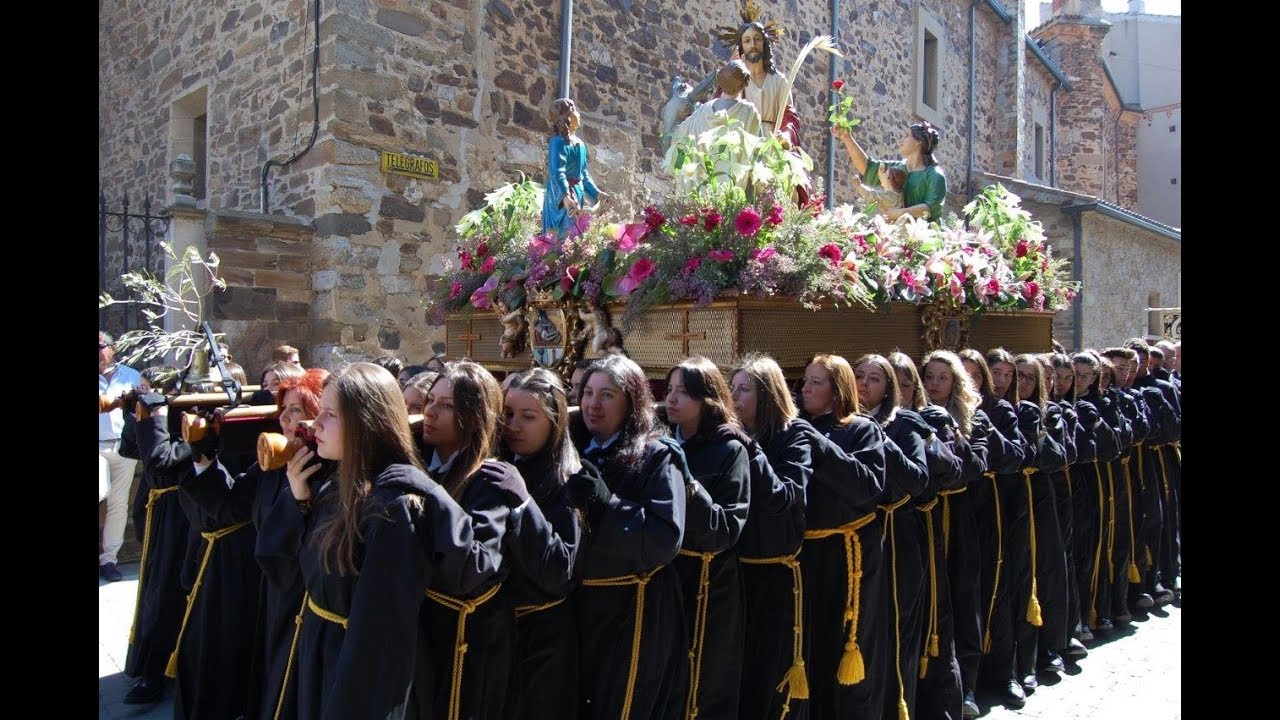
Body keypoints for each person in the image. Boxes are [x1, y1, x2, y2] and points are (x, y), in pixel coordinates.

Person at [256, 362, 494, 719]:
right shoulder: (337, 485)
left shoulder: (394, 507)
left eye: (330, 414)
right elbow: (287, 573)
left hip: (352, 676)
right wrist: (300, 501)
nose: (315, 424)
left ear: (365, 422)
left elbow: (381, 636)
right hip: (319, 654)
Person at [571, 353, 689, 718]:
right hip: (579, 609)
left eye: (607, 395)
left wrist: (607, 503)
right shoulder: (572, 449)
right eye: (588, 392)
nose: (593, 404)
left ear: (631, 401)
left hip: (631, 612)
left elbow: (664, 538)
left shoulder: (656, 455)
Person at [418, 361, 533, 720]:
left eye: (446, 405)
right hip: (425, 629)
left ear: (472, 417)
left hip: (468, 639)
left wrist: (429, 496)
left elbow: (476, 566)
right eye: (430, 400)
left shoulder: (488, 480)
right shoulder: (421, 463)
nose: (429, 412)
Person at [797, 354, 888, 718]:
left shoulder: (861, 430)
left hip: (849, 557)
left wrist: (820, 446)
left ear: (837, 391)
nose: (805, 388)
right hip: (806, 556)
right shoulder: (795, 428)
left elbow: (867, 487)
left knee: (848, 646)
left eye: (815, 382)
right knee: (809, 647)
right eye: (805, 381)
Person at [664, 356, 751, 719]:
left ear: (707, 399)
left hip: (708, 582)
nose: (671, 399)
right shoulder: (660, 441)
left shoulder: (729, 450)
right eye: (670, 389)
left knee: (706, 683)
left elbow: (726, 528)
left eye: (683, 392)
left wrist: (688, 484)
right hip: (665, 580)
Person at [729, 353, 814, 720]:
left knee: (772, 671)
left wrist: (751, 450)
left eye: (744, 389)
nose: (734, 397)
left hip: (777, 573)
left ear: (766, 395)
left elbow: (784, 498)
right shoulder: (731, 438)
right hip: (736, 573)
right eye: (732, 388)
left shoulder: (794, 435)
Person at [498, 369, 584, 719]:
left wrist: (523, 503)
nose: (513, 425)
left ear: (554, 421)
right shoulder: (500, 465)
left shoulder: (568, 479)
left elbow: (559, 569)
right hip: (501, 632)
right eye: (508, 414)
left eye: (528, 417)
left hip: (544, 638)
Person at [919, 350, 990, 720]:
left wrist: (951, 431)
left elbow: (975, 466)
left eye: (942, 378)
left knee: (964, 597)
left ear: (956, 382)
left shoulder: (974, 418)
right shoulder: (914, 415)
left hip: (960, 514)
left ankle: (969, 685)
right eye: (929, 377)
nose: (934, 384)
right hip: (926, 516)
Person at [121, 367, 189, 706]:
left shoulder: (189, 422)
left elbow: (162, 461)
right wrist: (135, 417)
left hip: (179, 515)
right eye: (143, 389)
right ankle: (146, 661)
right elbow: (130, 450)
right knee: (151, 588)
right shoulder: (152, 415)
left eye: (153, 391)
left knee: (166, 592)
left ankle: (160, 670)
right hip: (154, 508)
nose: (146, 397)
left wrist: (157, 418)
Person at [664, 60, 764, 192]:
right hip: (726, 192)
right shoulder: (749, 113)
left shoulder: (702, 110)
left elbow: (678, 137)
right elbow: (758, 152)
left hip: (696, 191)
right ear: (744, 84)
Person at [833, 120, 947, 223]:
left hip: (923, 234)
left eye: (907, 136)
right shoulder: (897, 168)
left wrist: (899, 213)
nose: (900, 141)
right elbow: (867, 168)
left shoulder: (935, 175)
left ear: (919, 141)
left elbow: (931, 208)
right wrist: (847, 137)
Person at [100, 330, 142, 582]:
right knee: (100, 490)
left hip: (124, 447)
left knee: (118, 504)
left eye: (100, 346)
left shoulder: (131, 375)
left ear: (112, 348)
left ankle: (109, 560)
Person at [542, 98, 602, 237]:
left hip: (576, 192)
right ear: (566, 116)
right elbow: (558, 172)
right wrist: (566, 196)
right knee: (560, 236)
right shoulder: (558, 142)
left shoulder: (580, 144)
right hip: (560, 195)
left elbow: (583, 174)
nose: (579, 114)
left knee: (576, 236)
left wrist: (597, 193)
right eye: (575, 111)